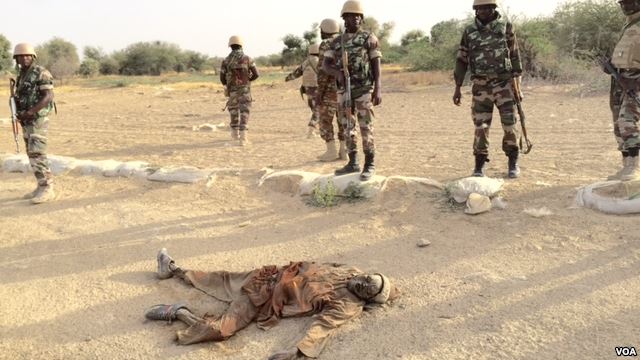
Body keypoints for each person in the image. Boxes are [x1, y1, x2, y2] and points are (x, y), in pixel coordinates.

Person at [144, 249, 398, 359]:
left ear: (366, 300)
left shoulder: (348, 304)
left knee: (222, 329)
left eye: (367, 289)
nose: (362, 282)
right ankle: (172, 269)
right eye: (367, 278)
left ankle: (179, 312)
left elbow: (323, 327)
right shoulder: (351, 270)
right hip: (270, 276)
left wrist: (295, 352)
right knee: (217, 279)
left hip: (264, 300)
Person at [452, 0, 523, 179]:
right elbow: (462, 59)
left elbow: (515, 56)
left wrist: (518, 88)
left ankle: (513, 161)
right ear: (475, 10)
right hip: (480, 87)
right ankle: (479, 165)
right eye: (481, 8)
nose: (484, 11)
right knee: (481, 127)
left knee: (510, 124)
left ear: (494, 9)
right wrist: (458, 87)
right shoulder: (469, 31)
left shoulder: (506, 27)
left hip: (504, 85)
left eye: (488, 7)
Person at [322, 0, 383, 181]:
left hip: (363, 88)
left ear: (361, 19)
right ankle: (353, 161)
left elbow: (376, 64)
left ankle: (369, 163)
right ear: (343, 19)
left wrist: (378, 88)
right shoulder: (336, 41)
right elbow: (326, 64)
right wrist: (337, 73)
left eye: (356, 16)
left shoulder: (369, 38)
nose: (353, 19)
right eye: (349, 16)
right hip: (344, 90)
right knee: (348, 127)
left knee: (366, 127)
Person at [12, 43, 56, 204]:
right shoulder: (22, 75)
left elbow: (48, 96)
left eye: (27, 56)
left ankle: (47, 188)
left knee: (38, 152)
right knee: (31, 153)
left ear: (33, 57)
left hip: (37, 119)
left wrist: (30, 112)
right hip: (27, 120)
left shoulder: (41, 73)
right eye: (21, 56)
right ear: (16, 58)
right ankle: (41, 185)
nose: (24, 59)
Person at [604, 0, 640, 181]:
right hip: (620, 80)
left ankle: (634, 167)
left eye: (629, 1)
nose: (624, 5)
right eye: (622, 2)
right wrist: (612, 64)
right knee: (618, 124)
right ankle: (626, 165)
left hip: (636, 81)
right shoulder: (629, 25)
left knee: (627, 120)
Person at [316, 18, 347, 162]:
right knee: (343, 120)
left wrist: (319, 93)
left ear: (324, 30)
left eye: (321, 30)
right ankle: (344, 151)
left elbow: (323, 71)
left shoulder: (325, 44)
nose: (320, 32)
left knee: (325, 120)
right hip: (345, 88)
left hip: (329, 90)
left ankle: (331, 151)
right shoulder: (345, 41)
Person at [220, 35, 259, 146]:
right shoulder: (248, 59)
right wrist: (247, 81)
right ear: (241, 45)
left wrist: (227, 86)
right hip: (245, 90)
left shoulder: (226, 61)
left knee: (233, 112)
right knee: (244, 112)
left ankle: (234, 136)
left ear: (230, 46)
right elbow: (256, 74)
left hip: (232, 91)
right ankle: (243, 138)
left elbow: (222, 78)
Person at [285, 44, 321, 138]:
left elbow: (297, 73)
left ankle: (321, 130)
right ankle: (311, 131)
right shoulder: (320, 61)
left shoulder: (306, 62)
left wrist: (288, 78)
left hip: (307, 89)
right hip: (317, 88)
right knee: (319, 110)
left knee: (314, 108)